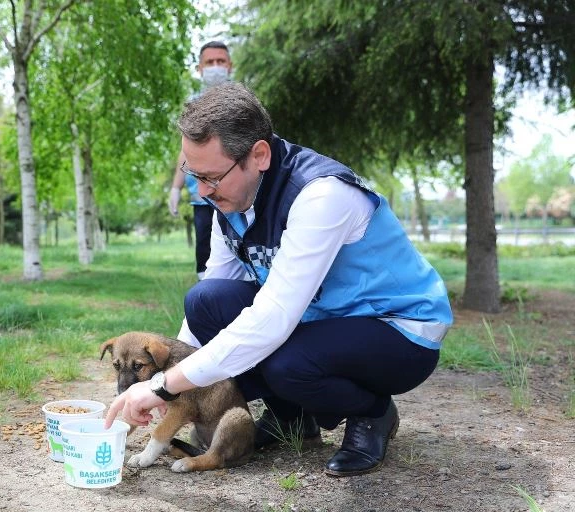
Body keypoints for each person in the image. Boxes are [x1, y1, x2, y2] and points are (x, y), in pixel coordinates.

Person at [107, 82, 453, 477]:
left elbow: (273, 319)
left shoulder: (321, 195)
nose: (202, 192)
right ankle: (292, 419)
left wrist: (163, 385)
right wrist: (176, 382)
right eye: (193, 174)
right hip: (321, 319)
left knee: (286, 363)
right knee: (205, 301)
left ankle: (374, 412)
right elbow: (213, 299)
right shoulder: (229, 201)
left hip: (399, 329)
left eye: (212, 178)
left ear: (258, 155)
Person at [168, 41, 233, 280]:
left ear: (230, 66)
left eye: (221, 61)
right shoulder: (194, 106)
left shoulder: (242, 102)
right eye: (210, 62)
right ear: (199, 68)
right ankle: (206, 304)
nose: (216, 67)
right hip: (203, 197)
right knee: (205, 256)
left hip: (237, 194)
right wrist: (176, 187)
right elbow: (186, 149)